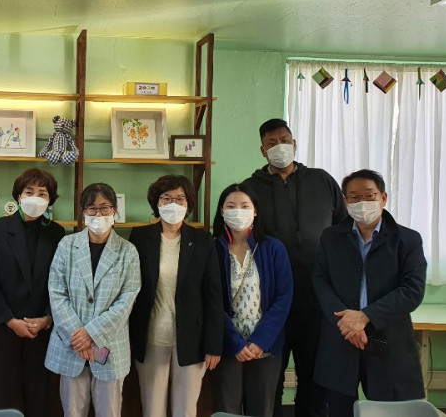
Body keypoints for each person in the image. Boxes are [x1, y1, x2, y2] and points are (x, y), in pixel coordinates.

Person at [241, 118, 346, 417]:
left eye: (284, 140)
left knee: (314, 375)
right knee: (268, 377)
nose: (279, 147)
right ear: (263, 150)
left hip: (316, 298)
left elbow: (343, 232)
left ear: (295, 143)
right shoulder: (250, 188)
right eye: (272, 143)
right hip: (269, 302)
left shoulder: (322, 181)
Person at [312, 169, 426, 416]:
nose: (361, 202)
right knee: (338, 408)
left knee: (392, 410)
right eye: (354, 197)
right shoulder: (331, 237)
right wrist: (346, 322)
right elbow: (321, 281)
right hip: (340, 337)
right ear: (345, 201)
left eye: (369, 195)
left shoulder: (407, 240)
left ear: (383, 198)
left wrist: (365, 317)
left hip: (388, 339)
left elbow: (412, 290)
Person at [129, 175, 223, 417]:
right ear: (157, 203)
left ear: (188, 203)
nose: (173, 204)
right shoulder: (140, 237)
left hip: (192, 340)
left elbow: (213, 296)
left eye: (180, 198)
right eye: (166, 198)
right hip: (150, 337)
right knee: (152, 409)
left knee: (185, 410)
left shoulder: (203, 240)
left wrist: (213, 344)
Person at [45, 183, 141, 417]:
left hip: (110, 348)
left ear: (114, 210)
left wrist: (92, 334)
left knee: (109, 412)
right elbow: (57, 293)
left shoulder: (128, 251)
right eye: (91, 208)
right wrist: (79, 336)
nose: (98, 214)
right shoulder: (67, 245)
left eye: (104, 207)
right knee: (72, 412)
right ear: (82, 212)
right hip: (72, 346)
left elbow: (127, 300)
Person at [0, 168, 66, 415]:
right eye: (29, 192)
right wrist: (10, 320)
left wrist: (48, 318)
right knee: (3, 398)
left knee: (40, 398)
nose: (35, 198)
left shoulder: (57, 233)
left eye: (42, 193)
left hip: (41, 331)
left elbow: (61, 282)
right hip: (3, 329)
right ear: (19, 195)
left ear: (50, 200)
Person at [212, 184, 293, 417]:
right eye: (231, 206)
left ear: (255, 211)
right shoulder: (213, 248)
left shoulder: (273, 248)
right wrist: (235, 342)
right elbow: (212, 301)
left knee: (262, 409)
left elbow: (283, 297)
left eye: (245, 206)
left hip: (265, 345)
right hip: (228, 345)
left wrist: (260, 341)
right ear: (222, 212)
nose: (238, 211)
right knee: (227, 409)